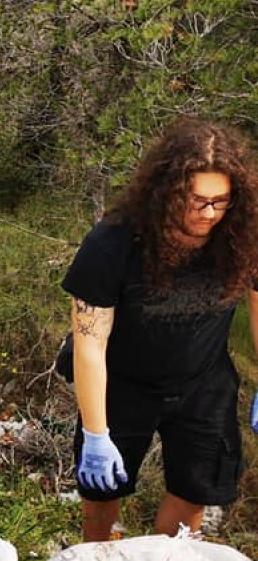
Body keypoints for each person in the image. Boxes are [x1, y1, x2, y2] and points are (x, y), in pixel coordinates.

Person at [62, 116, 258, 542]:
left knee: (194, 493)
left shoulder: (243, 236)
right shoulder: (112, 244)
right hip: (121, 382)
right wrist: (96, 433)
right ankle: (99, 552)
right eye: (195, 199)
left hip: (202, 383)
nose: (208, 213)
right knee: (101, 496)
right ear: (167, 192)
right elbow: (90, 344)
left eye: (220, 201)